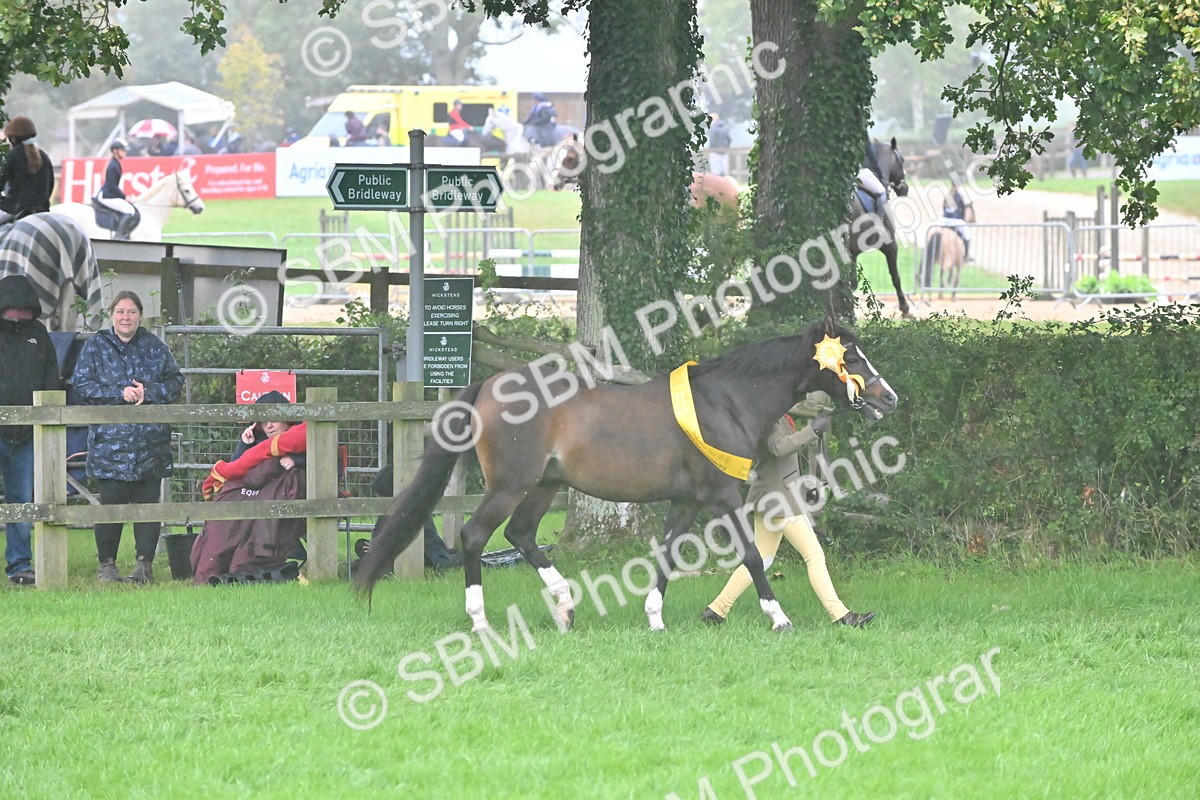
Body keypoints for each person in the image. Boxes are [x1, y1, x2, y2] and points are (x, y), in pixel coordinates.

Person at [701, 391, 875, 628]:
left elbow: (782, 466)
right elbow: (778, 447)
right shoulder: (768, 417)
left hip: (773, 496)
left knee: (761, 559)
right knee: (814, 555)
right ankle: (841, 616)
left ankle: (717, 609)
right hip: (778, 500)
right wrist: (813, 429)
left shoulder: (777, 415)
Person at [70, 290, 184, 584]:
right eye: (120, 311)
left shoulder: (155, 346)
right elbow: (81, 385)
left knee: (147, 503)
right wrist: (118, 393)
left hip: (150, 443)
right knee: (110, 504)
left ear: (140, 315)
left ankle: (144, 565)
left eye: (132, 311)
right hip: (110, 444)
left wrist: (150, 392)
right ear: (111, 315)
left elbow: (175, 380)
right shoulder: (96, 346)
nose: (126, 317)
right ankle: (106, 566)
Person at [190, 392, 308, 584]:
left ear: (287, 418)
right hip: (248, 498)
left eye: (273, 419)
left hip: (273, 500)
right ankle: (214, 573)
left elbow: (322, 458)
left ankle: (238, 573)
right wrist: (244, 444)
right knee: (225, 527)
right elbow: (235, 467)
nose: (268, 425)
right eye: (262, 421)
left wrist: (297, 460)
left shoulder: (302, 437)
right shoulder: (256, 443)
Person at [0, 275, 61, 586]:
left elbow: (52, 377)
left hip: (26, 434)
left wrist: (47, 417)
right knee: (19, 499)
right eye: (12, 309)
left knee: (21, 500)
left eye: (24, 309)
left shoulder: (38, 333)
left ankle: (19, 566)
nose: (18, 314)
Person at [0, 115, 55, 221]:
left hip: (17, 211)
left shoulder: (13, 157)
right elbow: (50, 187)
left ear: (13, 138)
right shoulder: (44, 156)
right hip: (43, 210)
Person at [96, 141, 139, 240]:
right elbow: (112, 186)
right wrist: (125, 197)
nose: (125, 152)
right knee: (130, 211)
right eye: (123, 150)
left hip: (110, 194)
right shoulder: (113, 165)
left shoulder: (115, 163)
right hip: (107, 196)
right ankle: (118, 235)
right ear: (115, 151)